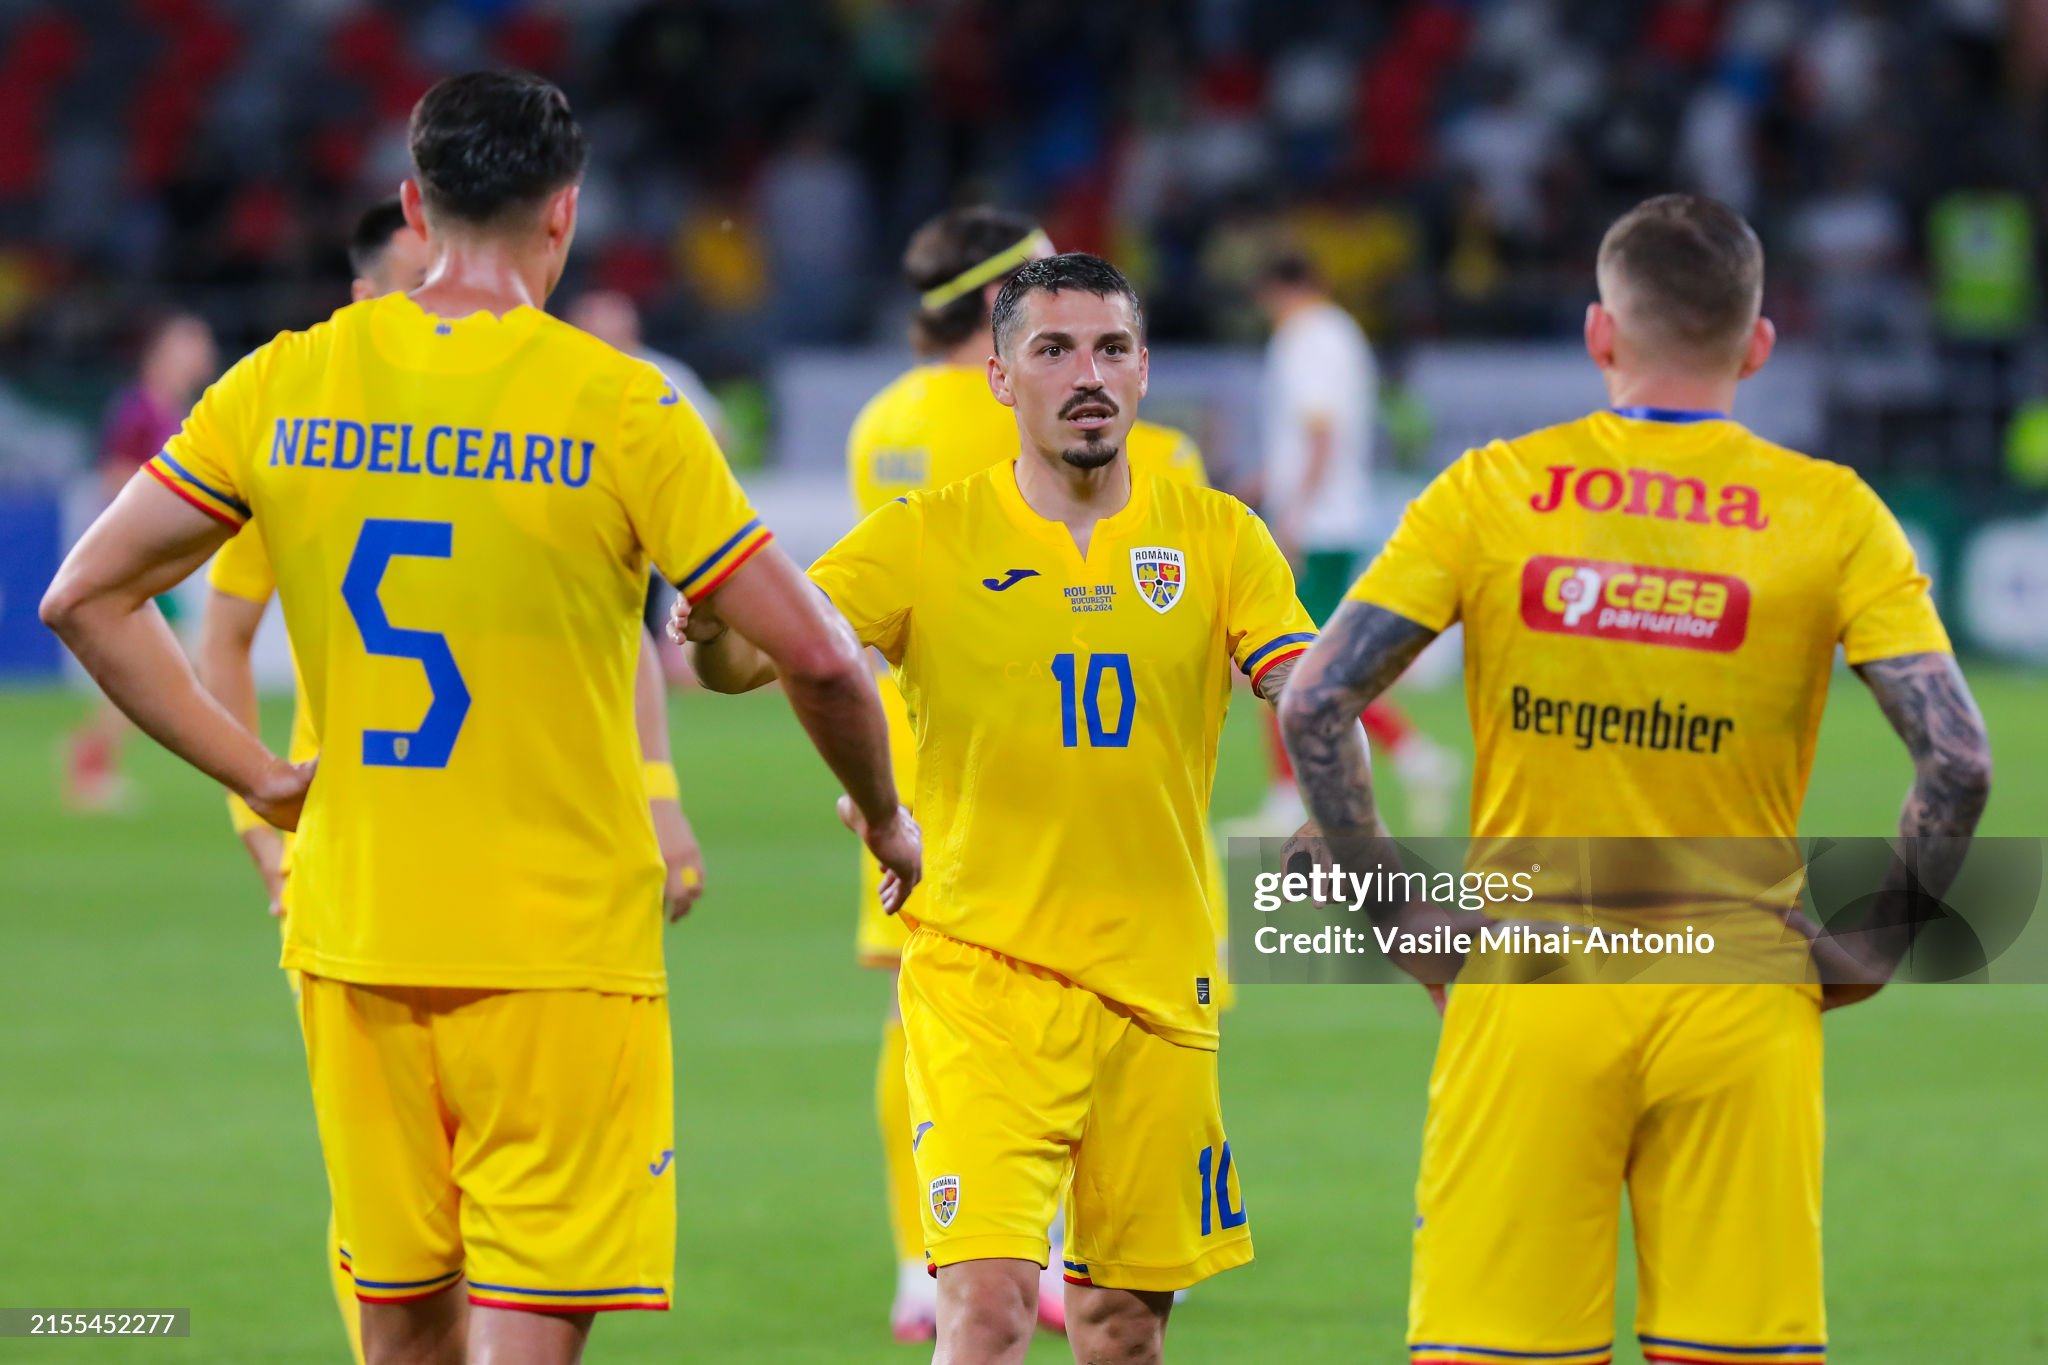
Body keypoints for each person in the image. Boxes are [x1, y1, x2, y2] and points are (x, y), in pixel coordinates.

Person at [41, 70, 917, 1365]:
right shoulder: (622, 407)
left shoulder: (284, 382)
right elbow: (825, 663)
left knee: (399, 1337)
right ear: (563, 216)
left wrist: (267, 781)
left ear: (413, 201)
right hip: (560, 946)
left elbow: (87, 598)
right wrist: (889, 817)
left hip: (358, 926)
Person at [1279, 194, 1991, 1365]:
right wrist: (1870, 942)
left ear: (1598, 335)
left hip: (1528, 984)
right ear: (1756, 345)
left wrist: (1395, 906)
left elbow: (1315, 702)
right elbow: (1956, 757)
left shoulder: (1489, 491)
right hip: (1739, 990)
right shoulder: (1833, 514)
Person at [682, 254, 1304, 1365]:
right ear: (1000, 378)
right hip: (983, 976)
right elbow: (758, 662)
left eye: (1110, 349)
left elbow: (1299, 685)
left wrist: (1328, 773)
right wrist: (718, 624)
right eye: (1052, 350)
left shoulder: (1218, 539)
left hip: (1157, 982)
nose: (1086, 375)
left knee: (1121, 1327)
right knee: (984, 1305)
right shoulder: (925, 536)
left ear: (1144, 371)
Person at [845, 206, 1211, 1342]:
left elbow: (844, 636)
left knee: (919, 1022)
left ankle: (927, 1256)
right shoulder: (1159, 466)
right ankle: (1043, 1245)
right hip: (1077, 814)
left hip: (912, 781)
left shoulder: (885, 424)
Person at [1250, 250, 1457, 834]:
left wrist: (1290, 511)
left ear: (1277, 292)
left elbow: (1318, 432)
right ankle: (1414, 759)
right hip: (1335, 516)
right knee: (1309, 658)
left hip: (1315, 524)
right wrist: (1264, 484)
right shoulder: (1340, 334)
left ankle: (1295, 795)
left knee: (1288, 655)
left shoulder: (1305, 338)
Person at [63, 311, 217, 810]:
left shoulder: (175, 411)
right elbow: (113, 478)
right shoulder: (139, 410)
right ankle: (89, 763)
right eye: (190, 343)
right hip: (139, 556)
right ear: (162, 351)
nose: (201, 353)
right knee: (159, 665)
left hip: (155, 557)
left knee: (160, 665)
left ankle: (91, 759)